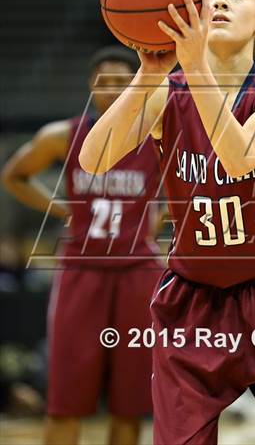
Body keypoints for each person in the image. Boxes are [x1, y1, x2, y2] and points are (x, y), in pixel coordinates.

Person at [79, 0, 255, 445]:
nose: (220, 1)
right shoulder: (167, 90)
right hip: (194, 303)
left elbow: (240, 156)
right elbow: (93, 160)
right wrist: (147, 73)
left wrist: (194, 67)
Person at [1, 46, 164, 445]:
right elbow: (15, 175)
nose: (112, 89)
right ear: (91, 85)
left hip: (137, 271)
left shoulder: (158, 136)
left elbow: (194, 181)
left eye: (122, 82)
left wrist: (158, 218)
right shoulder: (63, 135)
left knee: (130, 401)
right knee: (65, 398)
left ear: (136, 87)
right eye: (103, 81)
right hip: (81, 270)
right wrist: (61, 210)